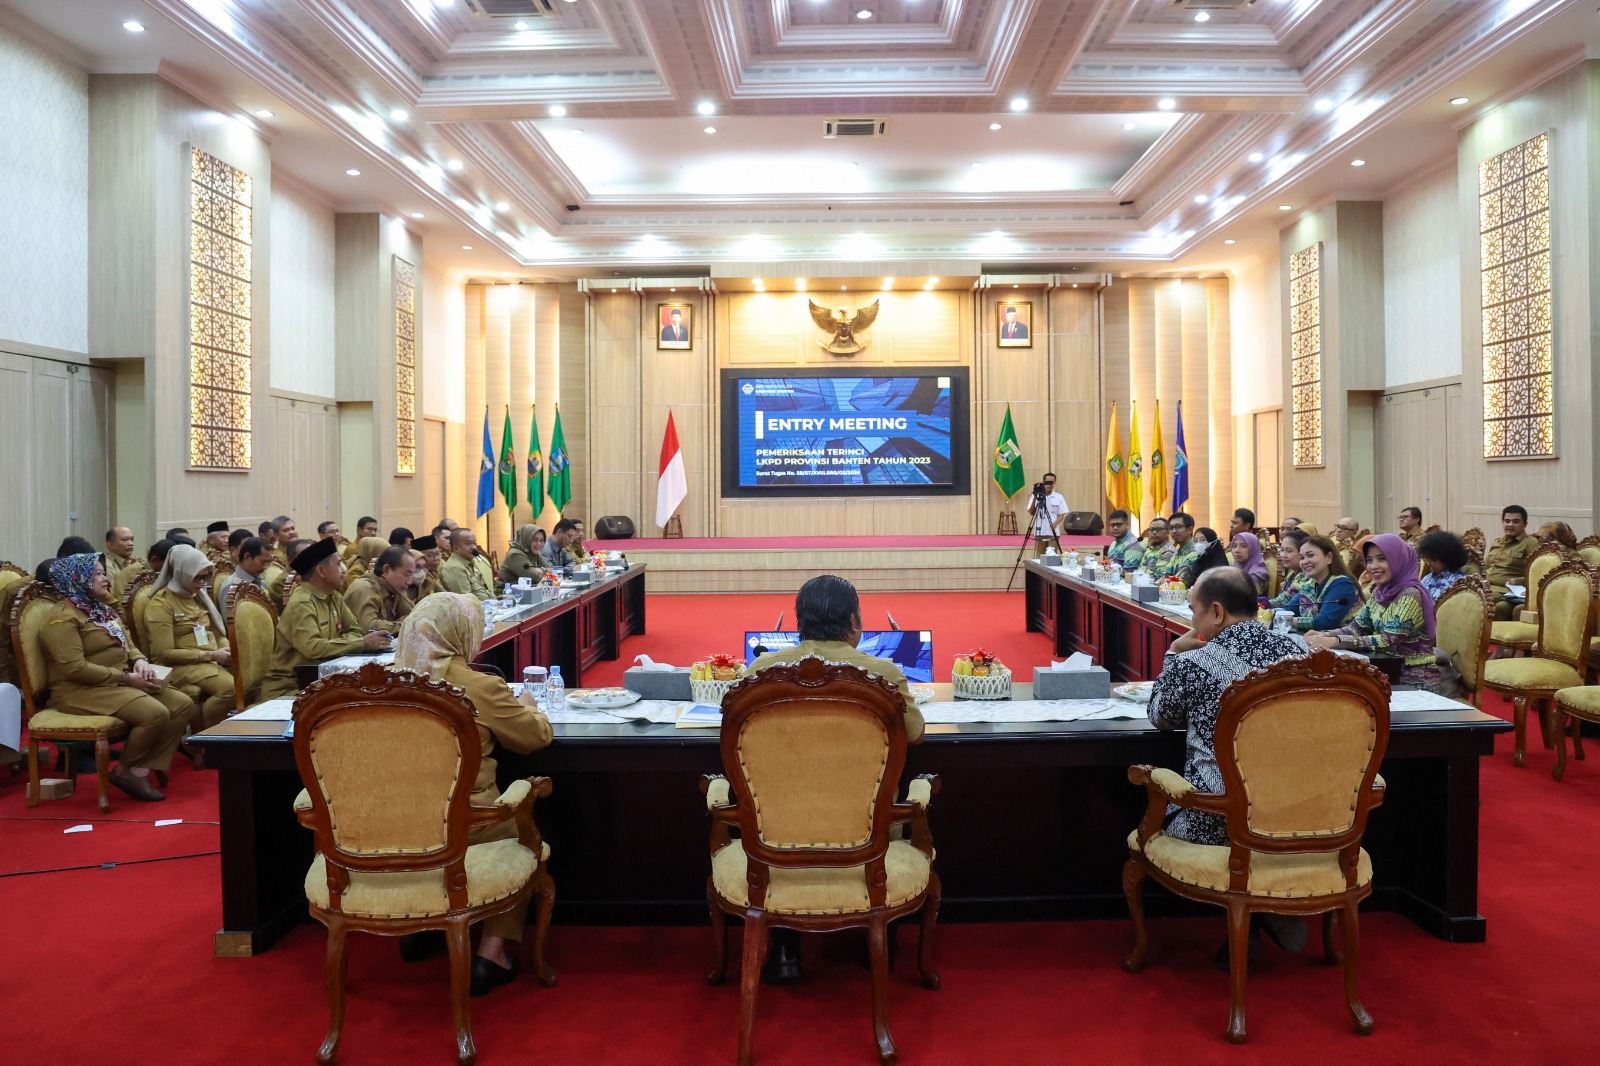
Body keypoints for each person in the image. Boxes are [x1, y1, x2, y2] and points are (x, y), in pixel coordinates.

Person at [747, 573, 926, 985]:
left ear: (798, 623)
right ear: (853, 623)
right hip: (867, 831)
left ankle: (787, 951)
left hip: (778, 833)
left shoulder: (762, 670)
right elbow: (915, 734)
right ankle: (877, 944)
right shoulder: (882, 673)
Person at [392, 593, 553, 994]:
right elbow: (534, 738)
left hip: (392, 825)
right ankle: (492, 953)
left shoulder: (385, 682)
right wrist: (531, 707)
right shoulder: (477, 686)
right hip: (468, 823)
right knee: (520, 834)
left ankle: (418, 927)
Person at [1147, 567, 1311, 957]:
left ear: (1216, 613)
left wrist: (1173, 654)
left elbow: (1160, 716)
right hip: (1298, 814)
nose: (1192, 621)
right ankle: (1262, 909)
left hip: (1219, 818)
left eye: (1194, 611)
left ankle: (1249, 911)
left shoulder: (1195, 663)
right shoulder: (1303, 654)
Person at [40, 554, 195, 801]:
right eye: (97, 575)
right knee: (154, 713)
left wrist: (140, 660)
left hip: (118, 680)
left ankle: (133, 770)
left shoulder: (99, 609)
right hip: (78, 689)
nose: (105, 579)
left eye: (104, 573)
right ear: (77, 579)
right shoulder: (62, 618)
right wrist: (125, 678)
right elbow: (76, 669)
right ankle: (129, 772)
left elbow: (127, 643)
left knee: (182, 704)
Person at [258, 539, 391, 700]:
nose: (343, 570)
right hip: (290, 687)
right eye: (338, 564)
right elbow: (313, 648)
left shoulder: (334, 596)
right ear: (321, 570)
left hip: (322, 680)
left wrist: (338, 644)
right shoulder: (302, 603)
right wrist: (361, 643)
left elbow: (355, 630)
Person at [1307, 534, 1439, 687]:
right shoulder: (1380, 592)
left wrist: (1335, 641)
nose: (1373, 566)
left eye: (1382, 559)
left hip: (1413, 680)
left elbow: (1387, 640)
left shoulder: (1411, 594)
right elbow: (1356, 628)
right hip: (1383, 672)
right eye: (1369, 560)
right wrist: (1325, 634)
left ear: (1399, 559)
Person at [144, 543, 234, 730]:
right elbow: (164, 653)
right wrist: (210, 655)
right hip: (180, 666)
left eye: (206, 576)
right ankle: (207, 738)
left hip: (209, 661)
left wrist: (225, 647)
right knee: (232, 689)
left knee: (250, 681)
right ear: (181, 573)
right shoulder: (161, 604)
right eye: (198, 576)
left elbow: (217, 633)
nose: (203, 582)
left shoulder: (199, 597)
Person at [1287, 535, 1360, 631]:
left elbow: (1325, 622)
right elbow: (1288, 608)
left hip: (1341, 642)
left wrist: (1287, 620)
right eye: (1302, 558)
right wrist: (1268, 614)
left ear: (1329, 557)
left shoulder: (1343, 585)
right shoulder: (1309, 584)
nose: (1305, 561)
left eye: (1310, 555)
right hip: (1314, 639)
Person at [344, 545, 416, 634]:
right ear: (386, 570)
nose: (410, 581)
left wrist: (389, 625)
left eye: (411, 575)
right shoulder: (364, 588)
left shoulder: (396, 587)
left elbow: (413, 615)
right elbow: (370, 628)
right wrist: (404, 625)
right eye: (406, 574)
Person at [1486, 505, 1540, 620]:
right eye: (1507, 521)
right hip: (1488, 585)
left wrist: (1518, 581)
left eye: (1515, 522)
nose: (1510, 525)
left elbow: (1538, 575)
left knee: (1480, 599)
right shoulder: (1497, 542)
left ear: (1525, 524)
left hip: (1508, 590)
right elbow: (1486, 566)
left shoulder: (1531, 544)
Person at [441, 529, 493, 601]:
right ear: (456, 548)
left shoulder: (471, 562)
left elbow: (483, 590)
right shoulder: (454, 567)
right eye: (468, 544)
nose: (473, 547)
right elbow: (465, 600)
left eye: (474, 543)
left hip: (489, 606)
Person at [1419, 530, 1471, 601]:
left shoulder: (1460, 582)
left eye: (1432, 560)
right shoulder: (1426, 579)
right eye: (1427, 560)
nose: (1428, 564)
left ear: (1446, 557)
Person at [219, 536, 274, 601]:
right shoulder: (232, 587)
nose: (265, 567)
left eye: (268, 562)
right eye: (263, 562)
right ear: (247, 557)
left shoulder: (259, 580)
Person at [1025, 472, 1068, 550]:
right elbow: (1031, 512)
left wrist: (1055, 523)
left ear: (1054, 483)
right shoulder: (1035, 496)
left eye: (1051, 482)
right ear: (1043, 482)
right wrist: (1035, 496)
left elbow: (1061, 514)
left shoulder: (1059, 497)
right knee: (1039, 558)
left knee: (1052, 557)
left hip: (1053, 532)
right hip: (1040, 531)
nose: (1049, 485)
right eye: (1047, 482)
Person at [266, 539, 311, 611]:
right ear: (290, 560)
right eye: (305, 556)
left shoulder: (308, 573)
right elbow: (300, 609)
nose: (311, 559)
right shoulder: (281, 583)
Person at [1160, 512, 1200, 581]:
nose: (1174, 531)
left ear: (1190, 530)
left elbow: (1178, 582)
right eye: (1171, 528)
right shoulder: (1177, 551)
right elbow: (1165, 576)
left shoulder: (1196, 552)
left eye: (1178, 527)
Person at [1228, 530, 1269, 597]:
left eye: (1244, 546)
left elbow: (1248, 600)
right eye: (1234, 546)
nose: (1237, 550)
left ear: (1253, 549)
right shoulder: (1236, 568)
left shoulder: (1258, 575)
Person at [412, 535, 446, 600]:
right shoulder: (415, 577)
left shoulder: (433, 574)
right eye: (430, 555)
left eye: (437, 553)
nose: (436, 558)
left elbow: (444, 595)